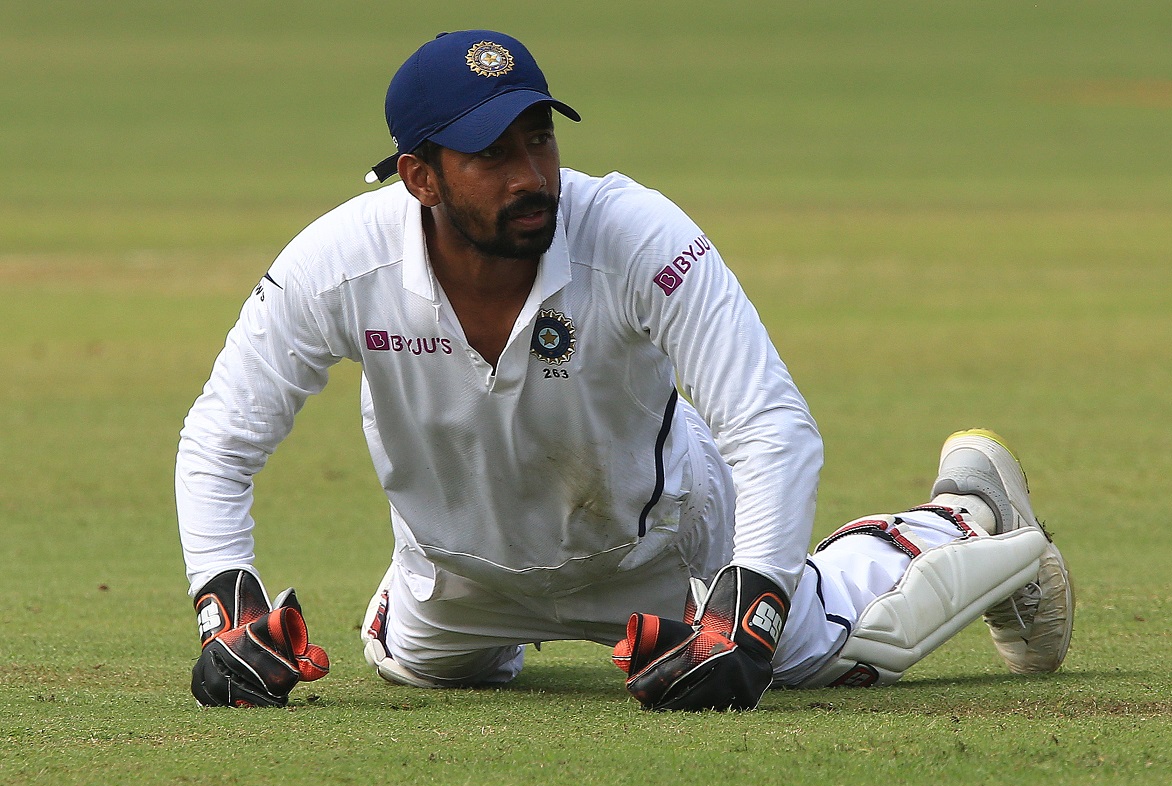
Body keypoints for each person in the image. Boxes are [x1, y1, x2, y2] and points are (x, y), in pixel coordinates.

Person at [177, 30, 1073, 710]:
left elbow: (772, 428)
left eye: (540, 141)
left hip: (661, 552)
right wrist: (225, 606)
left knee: (820, 653)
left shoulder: (638, 236)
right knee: (415, 669)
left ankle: (968, 512)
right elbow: (218, 439)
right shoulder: (336, 263)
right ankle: (412, 603)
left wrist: (750, 609)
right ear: (419, 178)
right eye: (493, 156)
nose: (533, 176)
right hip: (459, 581)